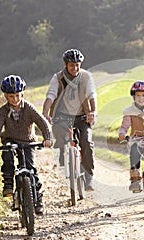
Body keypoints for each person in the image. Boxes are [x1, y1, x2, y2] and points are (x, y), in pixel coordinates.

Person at [0, 75, 52, 215]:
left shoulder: (28, 108)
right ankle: (8, 184)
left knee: (31, 168)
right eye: (11, 96)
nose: (15, 99)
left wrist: (47, 138)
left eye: (17, 95)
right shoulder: (3, 111)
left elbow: (42, 123)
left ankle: (38, 200)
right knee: (8, 156)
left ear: (22, 94)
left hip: (28, 141)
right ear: (6, 96)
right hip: (10, 140)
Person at [42, 48, 97, 191]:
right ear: (66, 65)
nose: (75, 68)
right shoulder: (58, 77)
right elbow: (51, 95)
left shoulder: (86, 76)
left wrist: (93, 112)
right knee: (59, 131)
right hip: (63, 114)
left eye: (78, 64)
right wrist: (45, 112)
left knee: (86, 142)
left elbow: (91, 94)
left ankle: (88, 176)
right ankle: (62, 149)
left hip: (82, 115)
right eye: (72, 65)